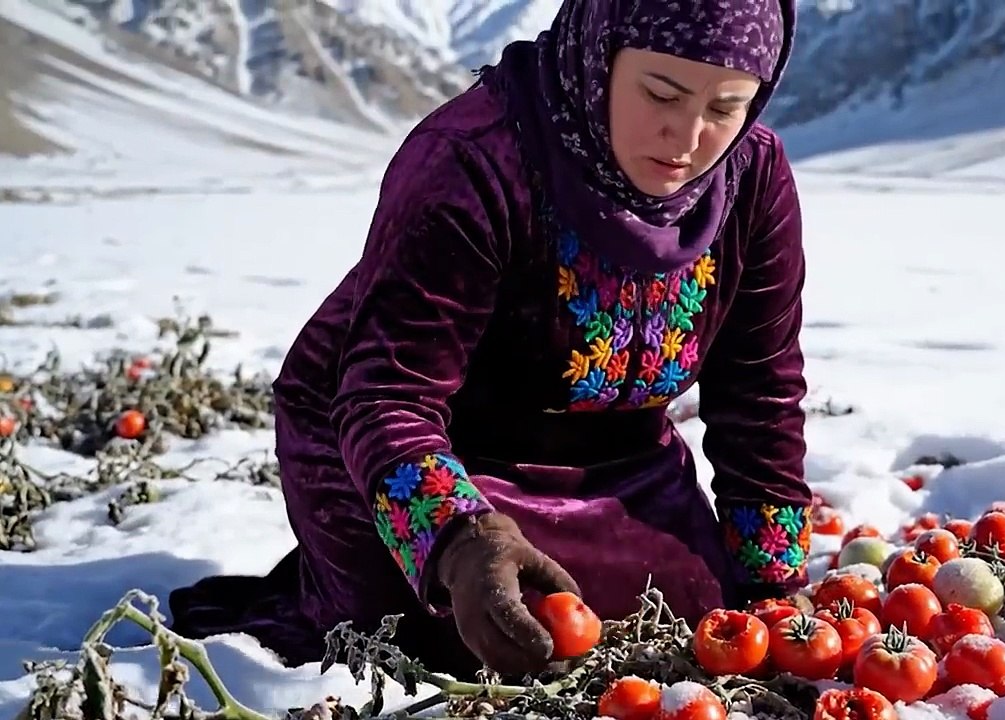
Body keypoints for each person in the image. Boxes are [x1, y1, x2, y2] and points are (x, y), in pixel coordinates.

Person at [167, 0, 812, 679]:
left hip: (616, 458)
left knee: (686, 624)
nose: (685, 138)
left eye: (726, 107)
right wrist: (461, 541)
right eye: (660, 93)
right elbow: (388, 393)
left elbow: (760, 387)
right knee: (451, 646)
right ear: (601, 54)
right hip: (405, 438)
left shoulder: (752, 177)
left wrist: (770, 585)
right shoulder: (473, 159)